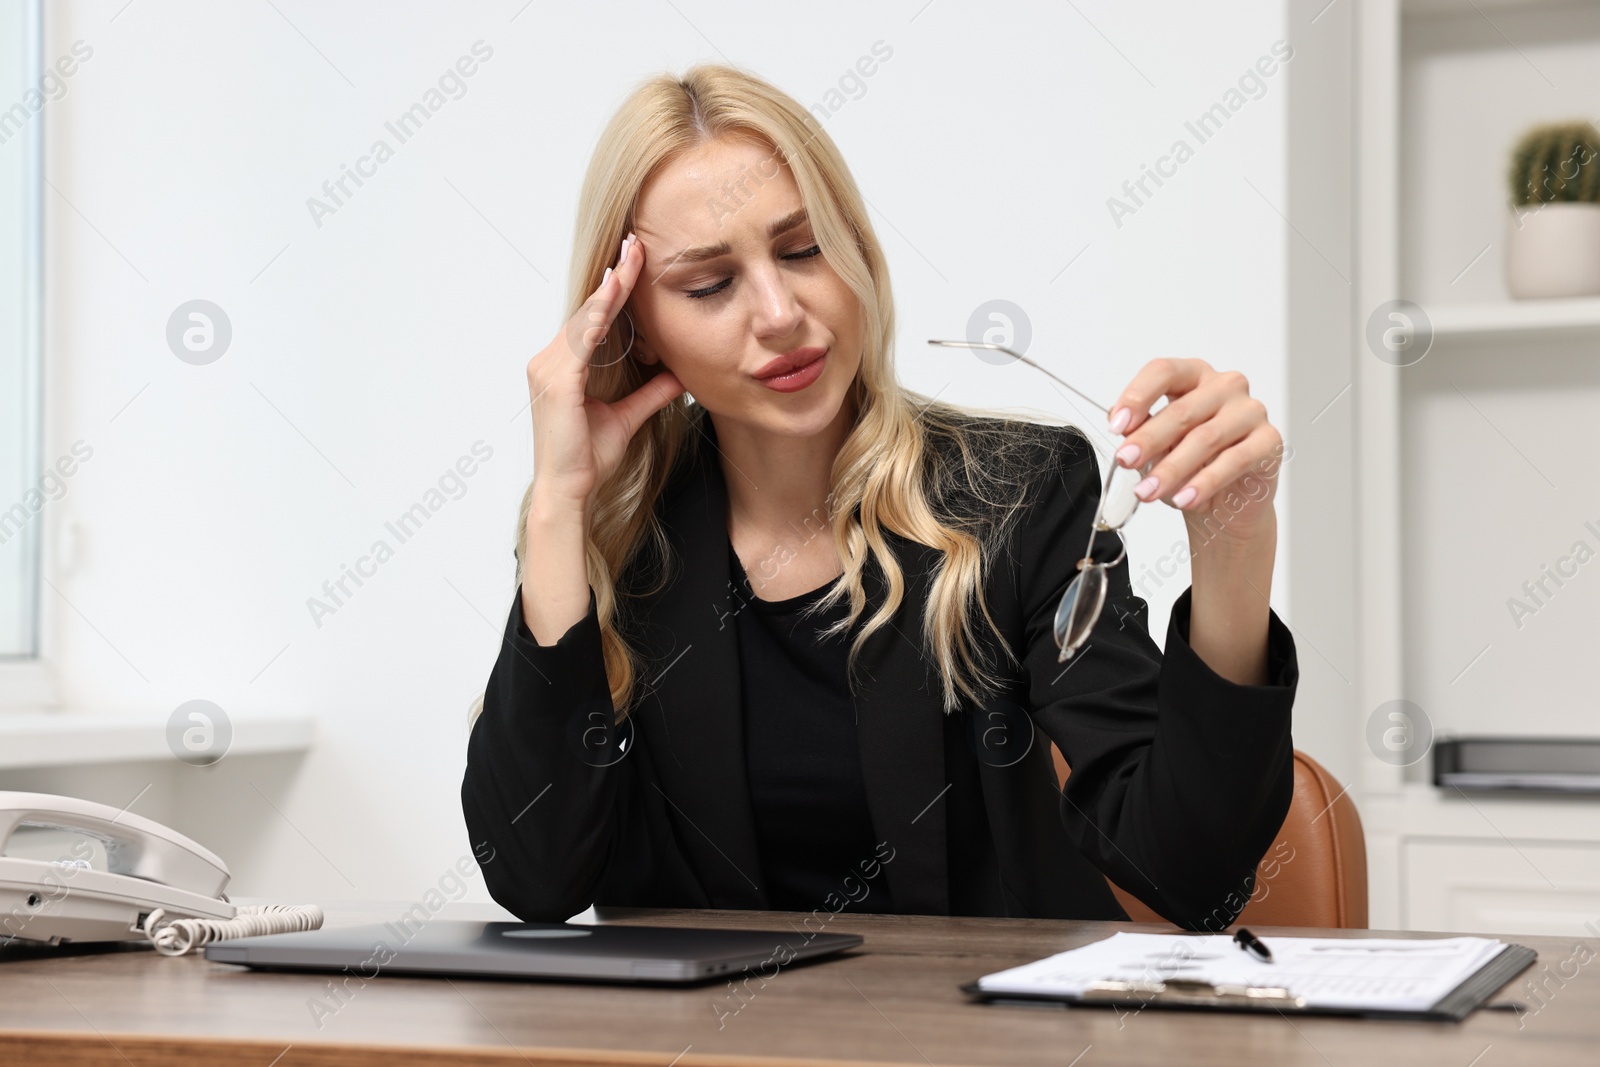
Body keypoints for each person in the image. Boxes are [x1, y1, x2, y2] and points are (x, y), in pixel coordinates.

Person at [462, 64, 1297, 929]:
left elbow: (1192, 875)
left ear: (857, 249)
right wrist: (560, 503)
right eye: (709, 284)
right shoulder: (621, 547)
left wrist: (1235, 543)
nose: (781, 311)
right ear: (633, 329)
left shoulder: (1017, 494)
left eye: (803, 248)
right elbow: (536, 877)